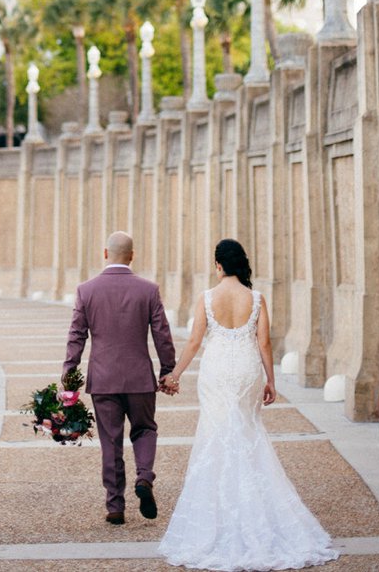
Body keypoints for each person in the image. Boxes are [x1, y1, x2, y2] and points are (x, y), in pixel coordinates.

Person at [158, 238, 340, 570]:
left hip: (215, 373)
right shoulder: (255, 298)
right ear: (240, 264)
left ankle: (216, 519)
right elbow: (265, 342)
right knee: (247, 434)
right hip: (245, 371)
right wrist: (271, 380)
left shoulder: (207, 298)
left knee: (215, 436)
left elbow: (196, 340)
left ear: (218, 265)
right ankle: (260, 513)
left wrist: (175, 374)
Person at [62, 230, 177, 526]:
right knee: (145, 429)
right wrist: (168, 370)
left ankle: (115, 505)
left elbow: (77, 334)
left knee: (110, 441)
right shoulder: (148, 290)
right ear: (132, 255)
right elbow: (161, 333)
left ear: (105, 254)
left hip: (103, 379)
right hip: (139, 377)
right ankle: (144, 477)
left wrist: (69, 371)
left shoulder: (86, 290)